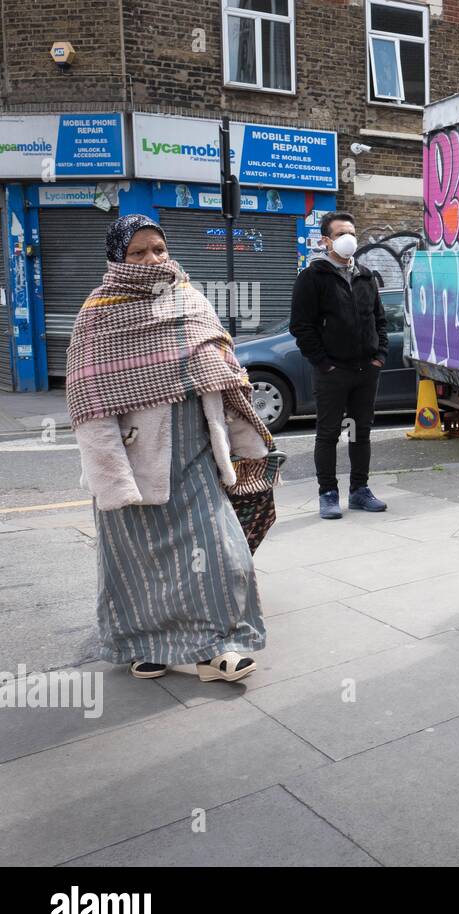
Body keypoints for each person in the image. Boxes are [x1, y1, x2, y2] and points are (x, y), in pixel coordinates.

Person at [68, 215, 274, 682]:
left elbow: (225, 377)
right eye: (138, 252)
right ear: (118, 258)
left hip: (198, 455)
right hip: (136, 463)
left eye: (158, 249)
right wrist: (113, 482)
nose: (152, 260)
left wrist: (246, 446)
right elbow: (90, 402)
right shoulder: (97, 314)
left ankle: (220, 646)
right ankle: (149, 644)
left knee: (220, 553)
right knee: (142, 565)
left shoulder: (191, 300)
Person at [290, 211, 388, 519]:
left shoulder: (366, 276)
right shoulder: (312, 277)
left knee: (360, 432)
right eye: (342, 233)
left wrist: (378, 356)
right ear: (325, 240)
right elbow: (301, 327)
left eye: (352, 233)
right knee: (328, 433)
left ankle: (359, 490)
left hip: (365, 370)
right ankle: (327, 493)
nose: (349, 238)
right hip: (332, 372)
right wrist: (324, 363)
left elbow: (379, 319)